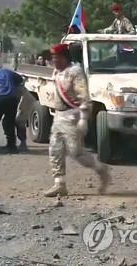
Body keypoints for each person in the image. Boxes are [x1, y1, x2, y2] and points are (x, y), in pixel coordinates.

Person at [44, 43, 110, 197]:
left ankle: (101, 170)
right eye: (53, 58)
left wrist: (83, 119)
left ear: (65, 58)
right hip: (59, 116)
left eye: (58, 58)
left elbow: (84, 97)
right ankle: (59, 183)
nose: (55, 61)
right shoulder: (57, 72)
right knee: (54, 149)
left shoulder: (75, 72)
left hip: (72, 116)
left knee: (76, 153)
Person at [0, 68, 23, 154]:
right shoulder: (7, 71)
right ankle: (12, 147)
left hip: (0, 98)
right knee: (10, 122)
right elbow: (20, 79)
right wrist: (14, 86)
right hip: (12, 98)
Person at [15, 85, 36, 152]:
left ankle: (23, 144)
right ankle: (22, 143)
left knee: (19, 121)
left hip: (25, 100)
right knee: (19, 122)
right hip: (24, 99)